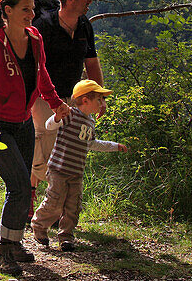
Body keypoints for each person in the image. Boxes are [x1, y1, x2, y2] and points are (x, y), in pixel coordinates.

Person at [0, 0, 69, 276]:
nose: (32, 14)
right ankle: (3, 251)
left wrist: (56, 103)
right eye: (26, 9)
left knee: (22, 186)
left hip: (24, 122)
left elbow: (41, 75)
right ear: (8, 12)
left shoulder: (35, 38)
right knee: (19, 186)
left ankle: (14, 244)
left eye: (33, 9)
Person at [30, 0, 104, 218]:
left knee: (68, 146)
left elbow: (91, 62)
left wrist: (98, 96)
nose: (90, 2)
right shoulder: (44, 25)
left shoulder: (84, 25)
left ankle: (44, 200)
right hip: (43, 96)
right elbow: (33, 65)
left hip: (73, 96)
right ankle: (40, 201)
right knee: (46, 142)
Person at [32, 79, 128, 251]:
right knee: (54, 203)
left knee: (73, 206)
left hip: (76, 172)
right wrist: (56, 117)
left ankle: (66, 236)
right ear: (85, 100)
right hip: (58, 169)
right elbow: (49, 126)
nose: (102, 104)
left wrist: (115, 146)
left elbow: (92, 143)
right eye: (99, 99)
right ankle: (39, 226)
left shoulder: (90, 122)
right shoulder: (69, 114)